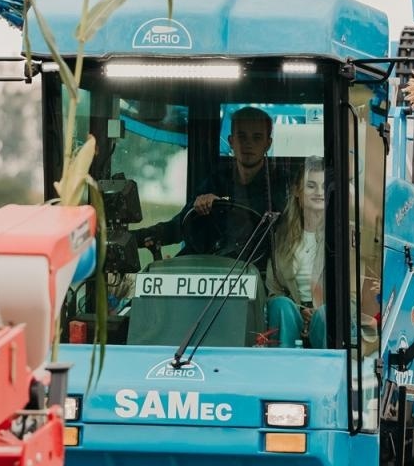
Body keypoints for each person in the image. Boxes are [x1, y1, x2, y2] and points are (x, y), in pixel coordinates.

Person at [136, 106, 285, 258]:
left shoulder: (280, 186)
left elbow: (284, 232)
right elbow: (181, 224)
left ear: (268, 144)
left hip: (256, 266)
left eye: (257, 137)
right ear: (231, 141)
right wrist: (136, 238)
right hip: (209, 264)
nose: (248, 144)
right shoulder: (217, 180)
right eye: (242, 137)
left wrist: (223, 205)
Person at [265, 159, 327, 347]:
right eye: (311, 186)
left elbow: (353, 298)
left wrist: (317, 313)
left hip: (326, 318)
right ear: (297, 191)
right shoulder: (281, 236)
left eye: (324, 186)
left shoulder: (344, 237)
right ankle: (284, 359)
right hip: (293, 315)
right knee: (280, 305)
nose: (319, 192)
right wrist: (299, 311)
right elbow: (273, 290)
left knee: (325, 315)